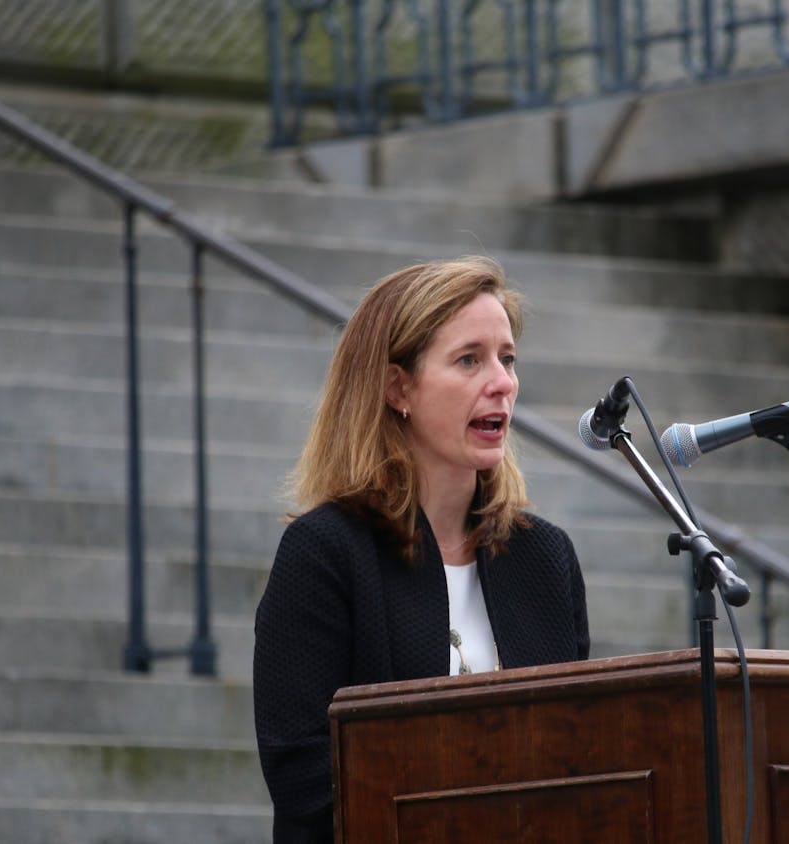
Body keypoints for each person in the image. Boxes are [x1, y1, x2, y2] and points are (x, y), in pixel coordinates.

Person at [253, 256, 591, 843]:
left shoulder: (544, 558)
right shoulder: (325, 554)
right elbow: (306, 779)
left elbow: (583, 753)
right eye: (469, 360)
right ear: (397, 387)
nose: (503, 382)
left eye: (507, 359)